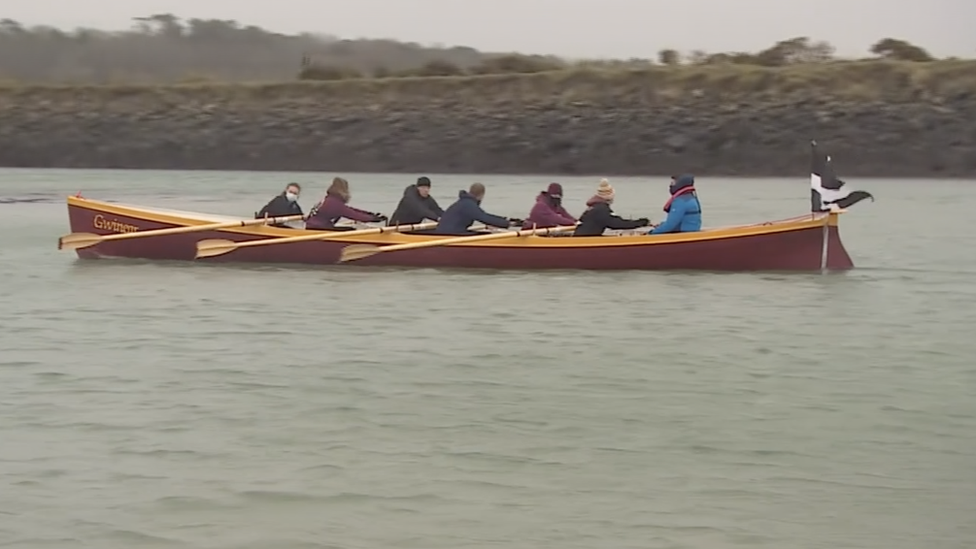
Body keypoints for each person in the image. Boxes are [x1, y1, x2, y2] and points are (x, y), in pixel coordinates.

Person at [435, 182, 520, 235]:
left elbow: (485, 215)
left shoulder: (465, 202)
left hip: (451, 232)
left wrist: (505, 219)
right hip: (449, 235)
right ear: (481, 195)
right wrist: (508, 224)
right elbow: (484, 218)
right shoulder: (468, 205)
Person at [305, 177, 387, 231]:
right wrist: (374, 219)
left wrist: (371, 214)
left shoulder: (329, 199)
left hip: (312, 227)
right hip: (318, 229)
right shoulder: (334, 203)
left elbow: (351, 210)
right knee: (351, 230)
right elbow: (354, 215)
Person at [573, 179, 649, 236]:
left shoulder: (593, 208)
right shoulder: (601, 210)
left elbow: (615, 220)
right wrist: (641, 222)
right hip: (587, 241)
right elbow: (617, 223)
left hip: (585, 237)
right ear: (609, 197)